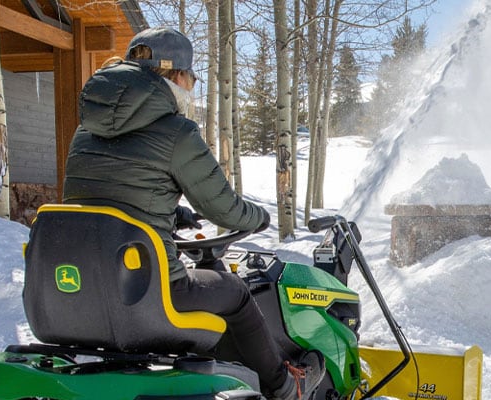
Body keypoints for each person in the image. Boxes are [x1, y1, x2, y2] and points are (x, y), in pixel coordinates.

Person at [60, 27, 323, 400]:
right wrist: (258, 218)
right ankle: (285, 385)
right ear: (178, 76)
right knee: (235, 292)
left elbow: (106, 200)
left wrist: (172, 212)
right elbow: (225, 209)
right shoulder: (176, 132)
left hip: (82, 288)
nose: (193, 86)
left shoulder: (85, 133)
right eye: (193, 78)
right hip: (145, 296)